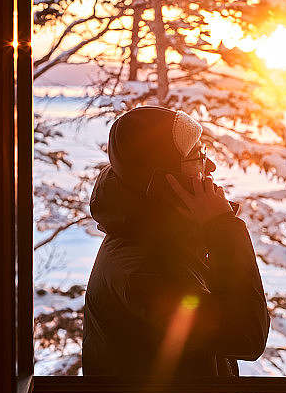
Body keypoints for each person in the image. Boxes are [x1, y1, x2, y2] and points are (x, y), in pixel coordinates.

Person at [82, 106, 270, 378]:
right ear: (163, 176)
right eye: (198, 156)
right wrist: (223, 226)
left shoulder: (163, 241)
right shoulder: (142, 271)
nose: (211, 166)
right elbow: (245, 336)